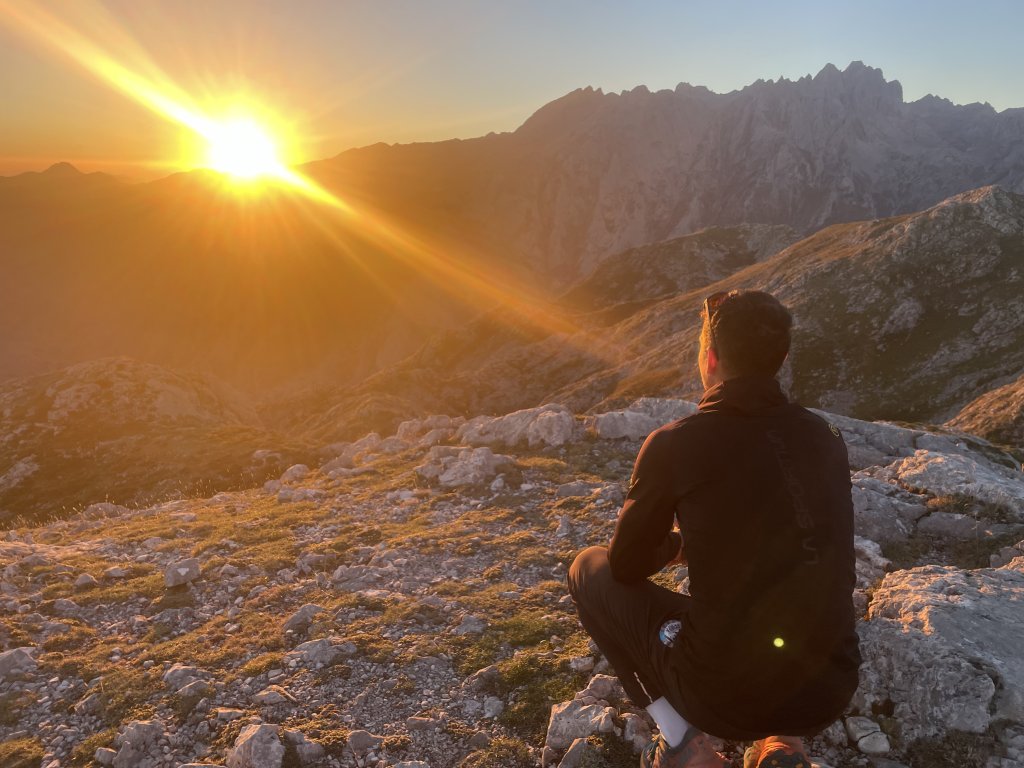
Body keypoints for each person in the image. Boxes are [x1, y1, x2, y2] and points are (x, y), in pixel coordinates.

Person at [567, 290, 861, 768]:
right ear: (781, 359)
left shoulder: (676, 442)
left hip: (723, 697)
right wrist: (695, 543)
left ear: (709, 359)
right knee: (786, 596)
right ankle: (784, 743)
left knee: (588, 569)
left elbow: (627, 563)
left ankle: (684, 744)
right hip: (828, 691)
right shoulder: (823, 437)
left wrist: (677, 547)